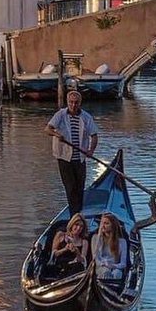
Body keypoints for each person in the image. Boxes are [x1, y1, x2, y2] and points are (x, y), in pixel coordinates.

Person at [45, 88, 99, 216]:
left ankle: (78, 213)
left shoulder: (86, 117)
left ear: (80, 103)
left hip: (80, 158)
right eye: (71, 102)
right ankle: (74, 215)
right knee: (70, 187)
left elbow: (94, 136)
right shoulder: (60, 115)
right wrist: (56, 134)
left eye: (76, 102)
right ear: (67, 102)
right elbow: (47, 129)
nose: (73, 105)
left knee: (80, 188)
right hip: (64, 157)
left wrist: (91, 150)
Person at [92, 213, 128, 283]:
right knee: (106, 271)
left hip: (114, 267)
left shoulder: (122, 242)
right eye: (102, 223)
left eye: (106, 223)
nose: (103, 226)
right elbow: (96, 259)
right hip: (101, 267)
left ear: (113, 226)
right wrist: (105, 264)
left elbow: (123, 263)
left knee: (117, 273)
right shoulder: (96, 238)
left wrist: (113, 266)